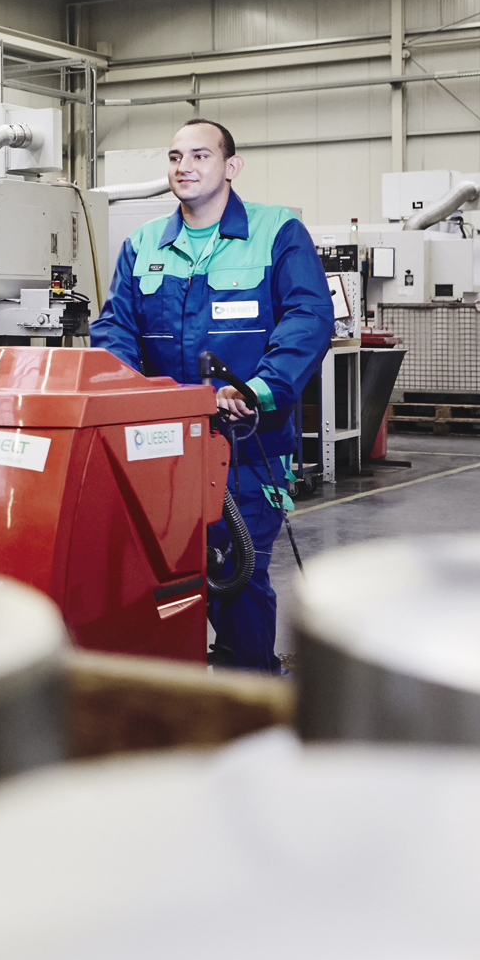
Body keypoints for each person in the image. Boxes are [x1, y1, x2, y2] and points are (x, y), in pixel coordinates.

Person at [90, 118, 331, 672]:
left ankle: (251, 689)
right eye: (176, 157)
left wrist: (262, 389)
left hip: (248, 444)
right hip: (163, 444)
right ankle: (181, 686)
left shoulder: (277, 231)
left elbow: (308, 316)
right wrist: (135, 395)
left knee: (234, 572)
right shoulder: (143, 243)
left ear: (231, 166)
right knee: (158, 574)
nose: (185, 167)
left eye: (200, 155)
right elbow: (115, 329)